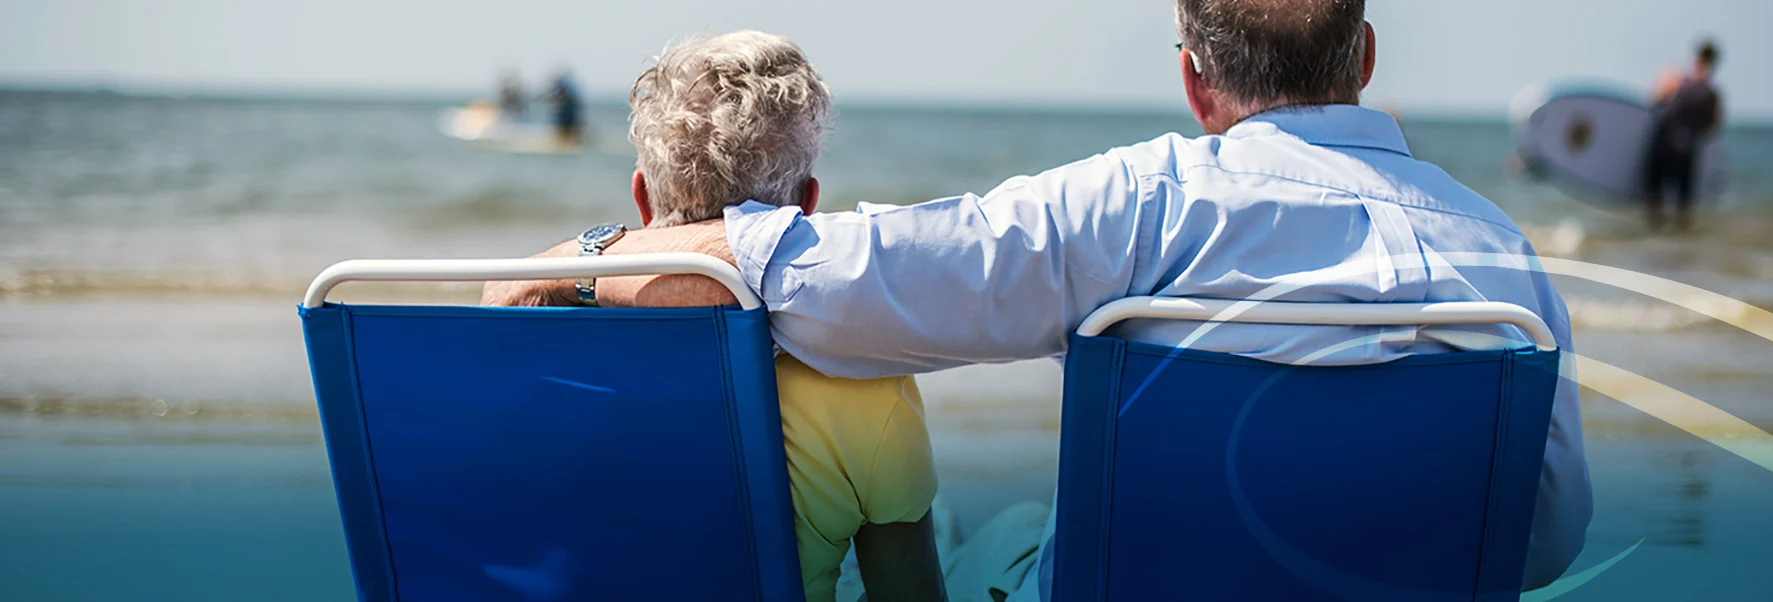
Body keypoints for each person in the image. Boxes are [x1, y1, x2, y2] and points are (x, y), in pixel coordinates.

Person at [485, 0, 1592, 596]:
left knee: (1001, 534)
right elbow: (1540, 543)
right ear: (1364, 55)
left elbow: (823, 282)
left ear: (1195, 79)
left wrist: (583, 255)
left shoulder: (1135, 206)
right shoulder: (1502, 260)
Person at [484, 32, 946, 602]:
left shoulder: (539, 375)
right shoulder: (861, 382)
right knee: (1007, 530)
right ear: (805, 208)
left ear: (642, 199)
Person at [1643, 40, 1724, 232]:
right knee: (1683, 209)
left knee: (1654, 203)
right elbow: (1713, 128)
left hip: (1662, 147)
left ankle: (1655, 241)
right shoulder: (1712, 95)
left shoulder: (1676, 80)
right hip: (1687, 152)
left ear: (1695, 56)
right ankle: (1681, 249)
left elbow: (1652, 100)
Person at [546, 68, 584, 145]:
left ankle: (567, 143)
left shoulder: (565, 88)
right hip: (568, 113)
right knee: (568, 131)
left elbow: (558, 97)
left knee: (566, 131)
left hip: (567, 113)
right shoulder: (570, 88)